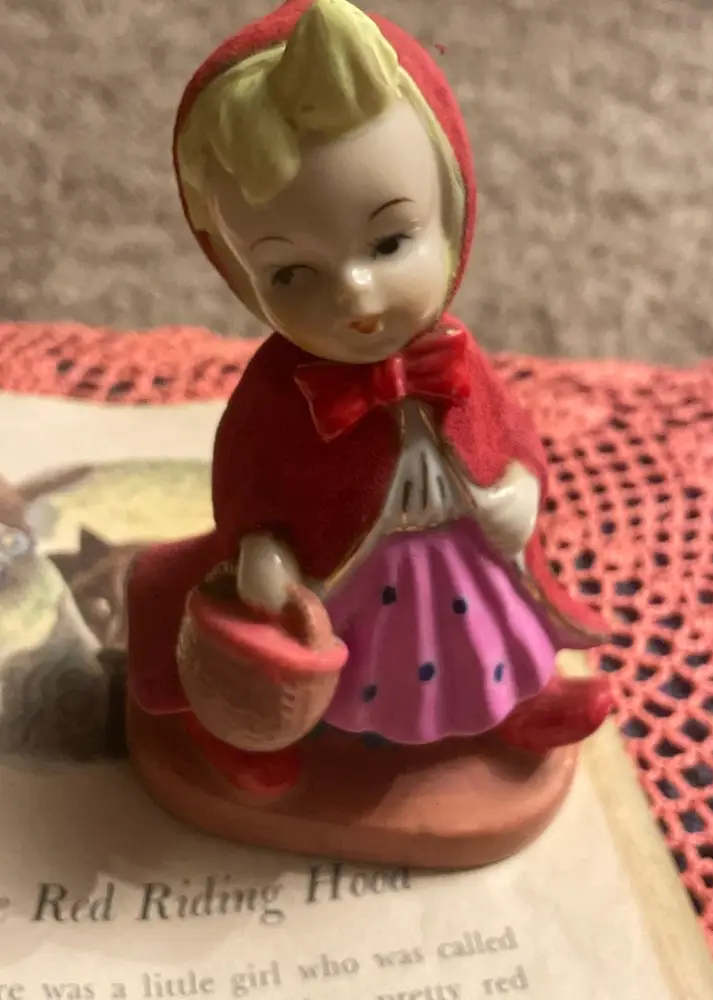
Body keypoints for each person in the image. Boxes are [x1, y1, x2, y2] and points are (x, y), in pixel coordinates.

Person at [127, 0, 612, 795]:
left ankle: (517, 706)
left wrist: (519, 493)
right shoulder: (281, 394)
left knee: (495, 636)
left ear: (451, 208)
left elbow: (511, 436)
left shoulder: (454, 358)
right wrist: (263, 552)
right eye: (292, 273)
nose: (355, 294)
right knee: (308, 671)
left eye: (389, 243)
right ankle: (255, 733)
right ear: (238, 271)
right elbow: (247, 480)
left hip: (460, 549)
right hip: (344, 572)